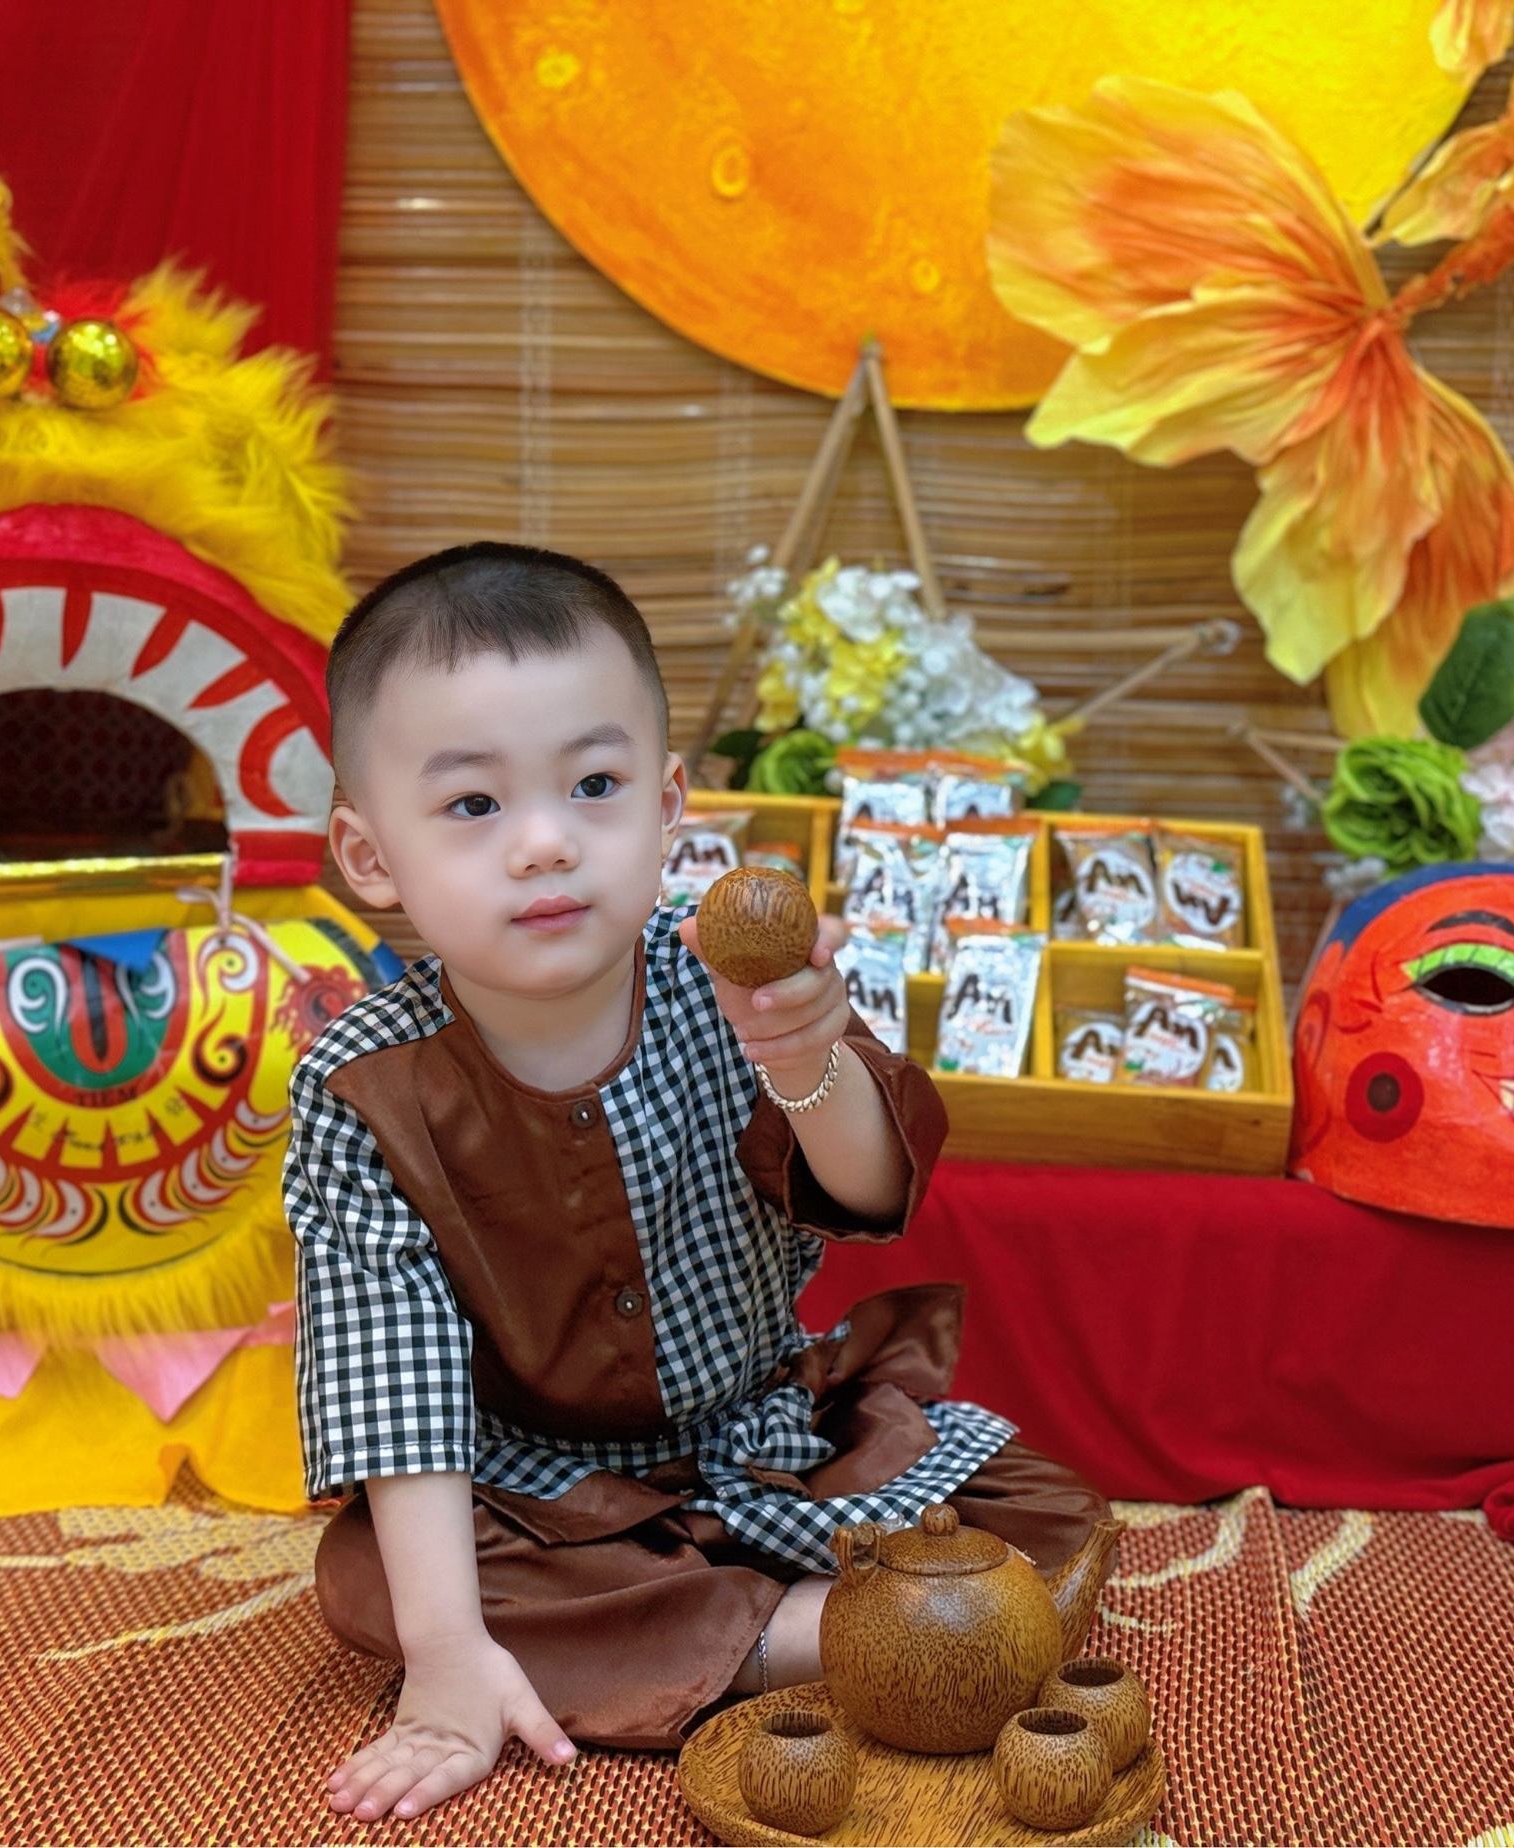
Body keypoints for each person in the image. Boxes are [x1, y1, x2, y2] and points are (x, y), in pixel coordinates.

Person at [286, 542, 1112, 1823]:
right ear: (370, 853)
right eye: (473, 805)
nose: (545, 844)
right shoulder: (359, 1092)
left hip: (764, 1436)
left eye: (593, 785)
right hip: (536, 1493)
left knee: (1030, 1503)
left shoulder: (727, 989)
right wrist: (442, 1656)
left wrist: (805, 1059)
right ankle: (824, 1635)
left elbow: (864, 1192)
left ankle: (819, 1626)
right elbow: (391, 1391)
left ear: (668, 803)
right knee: (378, 1586)